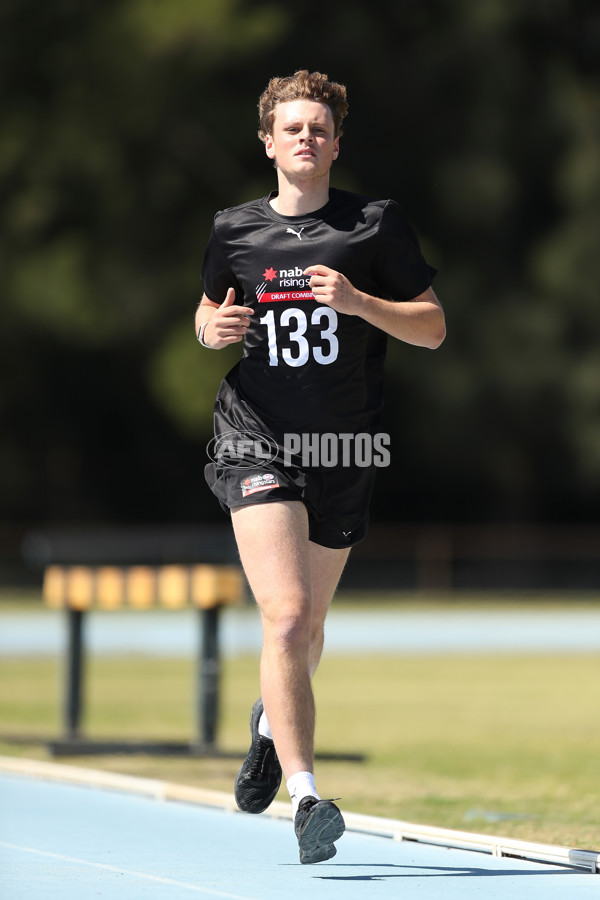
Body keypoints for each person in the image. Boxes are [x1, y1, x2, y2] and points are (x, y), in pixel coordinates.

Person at [195, 70, 445, 864]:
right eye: (291, 128)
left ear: (337, 144)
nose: (306, 138)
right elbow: (206, 309)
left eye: (319, 128)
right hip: (255, 435)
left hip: (342, 447)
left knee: (310, 629)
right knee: (289, 615)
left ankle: (271, 727)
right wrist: (214, 329)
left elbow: (434, 328)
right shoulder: (234, 229)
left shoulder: (375, 226)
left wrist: (363, 304)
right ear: (268, 143)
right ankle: (308, 799)